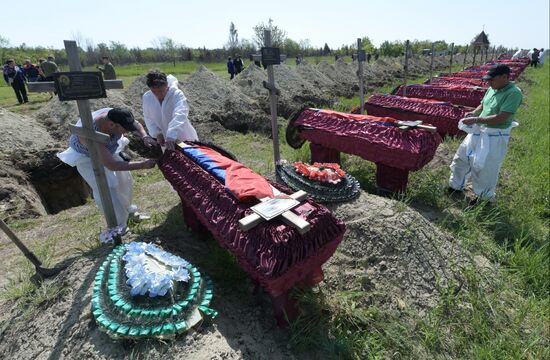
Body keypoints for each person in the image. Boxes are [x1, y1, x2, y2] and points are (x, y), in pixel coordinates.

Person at [57, 108, 156, 238]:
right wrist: (142, 165)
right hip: (87, 158)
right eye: (124, 129)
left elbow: (136, 124)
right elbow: (111, 165)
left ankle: (129, 213)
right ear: (111, 125)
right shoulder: (90, 134)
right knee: (108, 188)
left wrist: (145, 136)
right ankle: (118, 226)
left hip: (109, 149)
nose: (127, 132)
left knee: (124, 181)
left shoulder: (115, 115)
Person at [448, 64, 522, 203]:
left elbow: (502, 117)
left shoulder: (513, 93)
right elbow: (483, 105)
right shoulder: (492, 88)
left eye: (492, 80)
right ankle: (455, 186)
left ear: (504, 77)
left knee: (485, 168)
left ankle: (484, 199)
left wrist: (476, 119)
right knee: (461, 158)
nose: (489, 82)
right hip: (479, 130)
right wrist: (474, 112)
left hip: (495, 135)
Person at [142, 70, 198, 151]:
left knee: (190, 158)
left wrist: (171, 134)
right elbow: (148, 117)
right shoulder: (147, 97)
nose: (158, 94)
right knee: (173, 160)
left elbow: (180, 114)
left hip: (183, 136)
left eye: (161, 91)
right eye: (154, 91)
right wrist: (157, 133)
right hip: (165, 141)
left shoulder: (176, 94)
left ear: (166, 85)